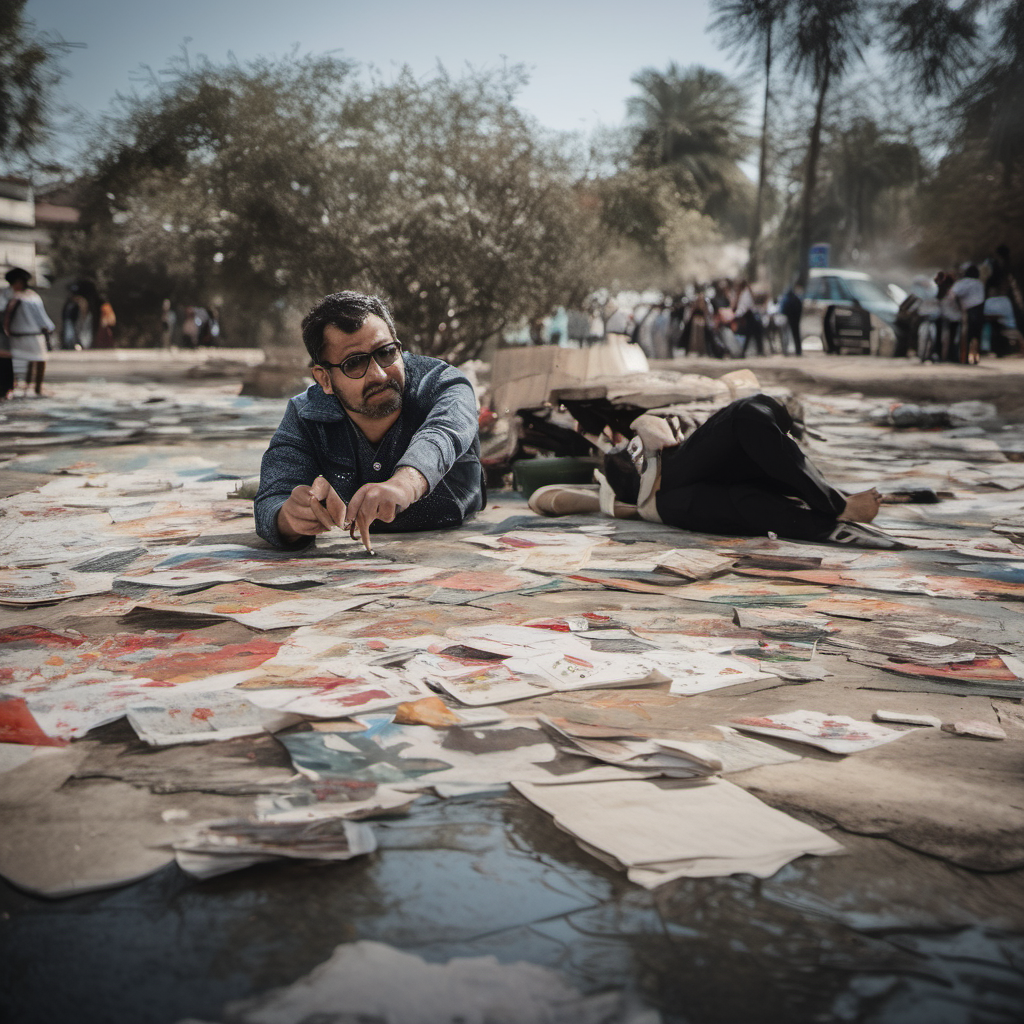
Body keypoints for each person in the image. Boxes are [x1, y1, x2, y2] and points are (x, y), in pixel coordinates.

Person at [254, 290, 485, 551]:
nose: (378, 374)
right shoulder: (305, 413)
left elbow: (442, 434)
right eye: (354, 363)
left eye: (386, 353)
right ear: (324, 379)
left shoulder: (445, 385)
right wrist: (290, 518)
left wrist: (405, 484)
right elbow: (271, 500)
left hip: (452, 549)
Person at [532, 394, 895, 548]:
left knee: (749, 499)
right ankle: (835, 505)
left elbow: (542, 501)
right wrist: (655, 433)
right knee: (753, 411)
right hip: (666, 476)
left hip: (676, 501)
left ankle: (831, 513)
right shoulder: (623, 452)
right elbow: (647, 422)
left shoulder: (762, 452)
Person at [2, 268, 55, 397]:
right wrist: (49, 327)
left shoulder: (13, 296)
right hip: (28, 335)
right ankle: (35, 387)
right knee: (39, 359)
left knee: (23, 361)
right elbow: (41, 317)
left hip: (20, 335)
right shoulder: (31, 297)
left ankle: (23, 386)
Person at [951, 264, 985, 364]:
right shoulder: (980, 283)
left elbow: (952, 295)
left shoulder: (963, 283)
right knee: (977, 336)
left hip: (968, 311)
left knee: (965, 336)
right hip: (980, 310)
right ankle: (976, 357)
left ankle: (963, 358)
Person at [778, 283, 804, 356]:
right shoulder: (796, 298)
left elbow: (782, 309)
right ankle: (798, 351)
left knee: (785, 335)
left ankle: (785, 351)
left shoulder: (785, 299)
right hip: (795, 319)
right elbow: (800, 308)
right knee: (796, 335)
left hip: (787, 318)